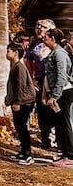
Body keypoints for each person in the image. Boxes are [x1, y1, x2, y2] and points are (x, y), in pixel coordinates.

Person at [43, 28, 73, 166]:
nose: (44, 39)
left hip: (64, 93)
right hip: (58, 93)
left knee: (65, 123)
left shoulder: (59, 54)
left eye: (46, 37)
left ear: (53, 39)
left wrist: (55, 95)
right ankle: (64, 152)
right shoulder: (53, 53)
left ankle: (70, 156)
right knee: (60, 124)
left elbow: (62, 76)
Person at [26, 20, 58, 151]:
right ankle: (46, 138)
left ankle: (57, 138)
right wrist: (31, 78)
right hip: (39, 80)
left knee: (55, 109)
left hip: (53, 80)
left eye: (43, 27)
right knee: (42, 108)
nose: (39, 28)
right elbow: (28, 61)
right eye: (37, 26)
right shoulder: (33, 43)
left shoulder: (54, 42)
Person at [4, 42, 37, 164]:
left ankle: (28, 154)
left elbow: (20, 85)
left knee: (23, 128)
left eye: (8, 51)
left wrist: (17, 101)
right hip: (21, 100)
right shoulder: (15, 66)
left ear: (15, 53)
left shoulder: (19, 67)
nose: (7, 53)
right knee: (19, 127)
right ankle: (23, 151)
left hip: (24, 101)